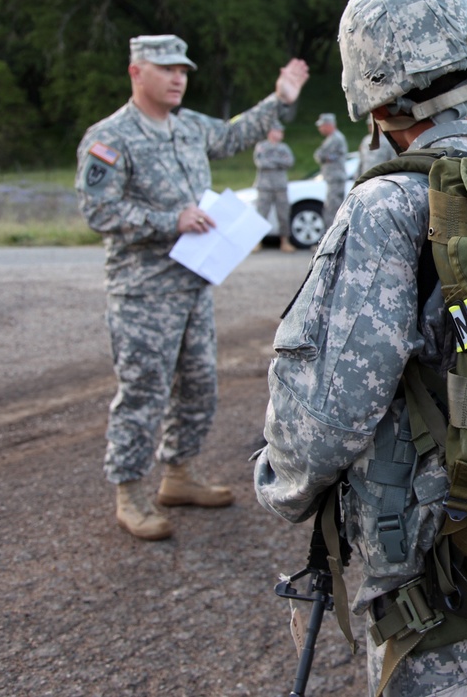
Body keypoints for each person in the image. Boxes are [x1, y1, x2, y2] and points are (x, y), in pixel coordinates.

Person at [255, 0, 467, 697]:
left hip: (446, 574)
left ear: (375, 93)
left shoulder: (391, 202)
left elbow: (336, 403)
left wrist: (278, 480)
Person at [76, 34, 309, 541]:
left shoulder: (187, 128)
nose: (178, 77)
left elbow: (232, 135)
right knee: (144, 392)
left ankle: (178, 476)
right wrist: (169, 220)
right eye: (166, 69)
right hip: (142, 293)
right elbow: (98, 209)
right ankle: (130, 493)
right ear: (137, 73)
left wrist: (280, 100)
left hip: (193, 284)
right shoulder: (111, 137)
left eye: (183, 69)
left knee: (200, 385)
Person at [252, 124, 297, 253]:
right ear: (271, 132)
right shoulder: (261, 146)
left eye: (281, 132)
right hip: (264, 186)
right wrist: (278, 162)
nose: (280, 134)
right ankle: (257, 241)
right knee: (261, 214)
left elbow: (289, 162)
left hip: (280, 186)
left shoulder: (284, 147)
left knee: (283, 214)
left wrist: (272, 160)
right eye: (278, 131)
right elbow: (261, 163)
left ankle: (285, 241)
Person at [313, 112, 348, 226]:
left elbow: (320, 155)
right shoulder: (331, 139)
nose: (319, 129)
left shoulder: (335, 139)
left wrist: (323, 157)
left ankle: (331, 238)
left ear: (328, 125)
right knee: (331, 208)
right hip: (332, 179)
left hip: (335, 179)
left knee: (332, 210)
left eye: (321, 126)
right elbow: (319, 156)